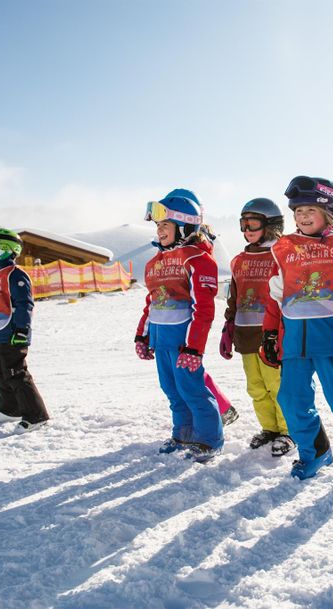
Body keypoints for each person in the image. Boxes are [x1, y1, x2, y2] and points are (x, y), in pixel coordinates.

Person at [261, 176, 333, 484]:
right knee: (290, 398)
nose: (302, 217)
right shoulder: (283, 248)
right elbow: (275, 295)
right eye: (298, 211)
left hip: (331, 340)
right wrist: (270, 333)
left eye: (310, 209)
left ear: (329, 211)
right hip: (293, 341)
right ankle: (315, 452)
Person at [134, 189, 230, 463]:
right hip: (160, 336)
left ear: (185, 225)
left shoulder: (198, 260)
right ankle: (183, 433)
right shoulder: (155, 262)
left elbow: (204, 310)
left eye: (165, 225)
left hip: (183, 339)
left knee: (192, 388)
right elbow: (151, 302)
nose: (160, 230)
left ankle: (209, 439)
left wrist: (194, 347)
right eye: (158, 225)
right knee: (171, 389)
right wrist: (141, 335)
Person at [219, 197, 295, 457]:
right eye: (243, 224)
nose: (247, 230)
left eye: (252, 224)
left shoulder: (282, 254)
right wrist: (229, 325)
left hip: (273, 333)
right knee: (256, 387)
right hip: (246, 332)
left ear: (271, 225)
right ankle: (270, 428)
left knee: (277, 385)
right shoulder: (239, 260)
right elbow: (235, 295)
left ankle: (288, 430)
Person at [0, 228, 50, 433]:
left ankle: (36, 415)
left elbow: (24, 304)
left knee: (16, 373)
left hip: (13, 332)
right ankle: (10, 409)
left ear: (5, 249)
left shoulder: (15, 274)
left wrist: (21, 329)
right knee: (0, 371)